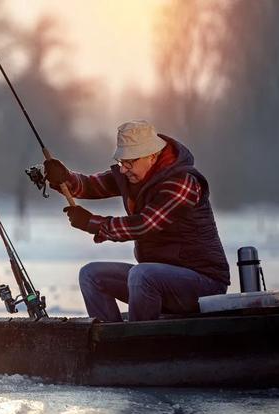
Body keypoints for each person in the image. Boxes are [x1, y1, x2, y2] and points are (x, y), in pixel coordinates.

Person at [44, 120, 230, 322]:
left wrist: (92, 223)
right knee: (90, 274)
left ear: (152, 156)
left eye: (129, 162)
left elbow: (145, 224)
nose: (123, 169)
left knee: (142, 274)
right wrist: (63, 177)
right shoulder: (133, 175)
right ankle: (108, 342)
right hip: (155, 278)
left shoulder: (182, 182)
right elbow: (89, 185)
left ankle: (135, 341)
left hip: (203, 284)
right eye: (121, 162)